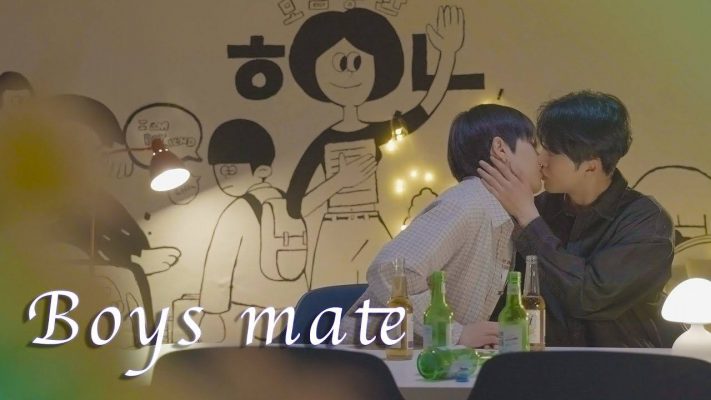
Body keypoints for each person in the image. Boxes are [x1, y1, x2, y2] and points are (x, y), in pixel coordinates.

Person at [478, 91, 676, 347]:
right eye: (540, 147)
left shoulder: (647, 221)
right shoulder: (538, 208)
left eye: (552, 152)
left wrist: (529, 219)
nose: (540, 160)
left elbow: (589, 296)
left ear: (591, 165)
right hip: (542, 361)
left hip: (622, 364)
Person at [286, 6, 464, 289]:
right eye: (339, 63)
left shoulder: (381, 131)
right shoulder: (322, 141)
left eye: (358, 62)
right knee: (329, 298)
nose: (348, 72)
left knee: (387, 296)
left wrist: (447, 55)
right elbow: (296, 206)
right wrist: (339, 181)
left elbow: (424, 108)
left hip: (371, 226)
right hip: (334, 231)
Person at [340, 104, 542, 347]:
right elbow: (389, 270)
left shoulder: (496, 213)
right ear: (501, 149)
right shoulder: (468, 203)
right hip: (372, 362)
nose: (541, 158)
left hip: (420, 361)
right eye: (533, 145)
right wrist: (455, 334)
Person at [198, 119, 308, 342]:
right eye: (220, 171)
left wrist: (212, 311)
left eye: (230, 171)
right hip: (297, 310)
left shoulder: (237, 210)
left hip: (250, 313)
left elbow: (219, 265)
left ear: (262, 170)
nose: (223, 179)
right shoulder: (289, 205)